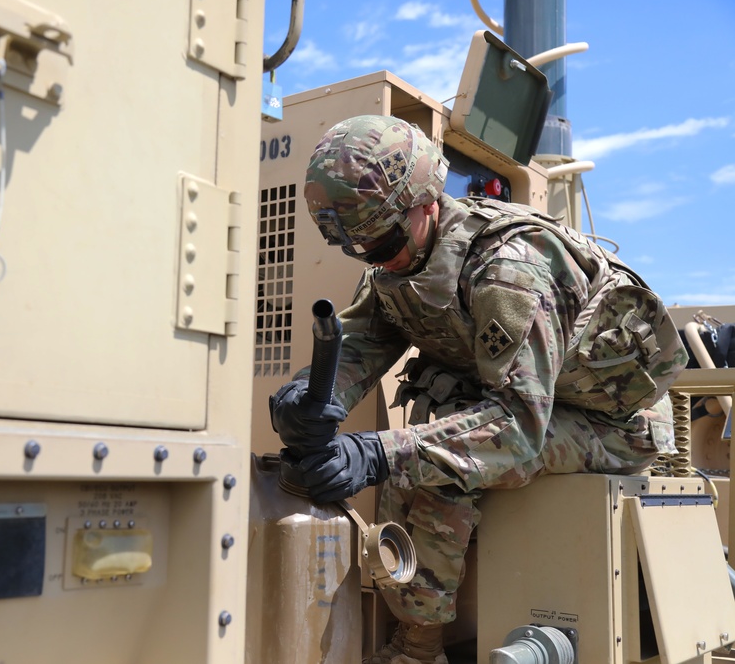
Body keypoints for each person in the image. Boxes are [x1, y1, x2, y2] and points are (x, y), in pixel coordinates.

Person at [269, 115, 688, 664]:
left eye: (383, 241)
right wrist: (309, 401)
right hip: (536, 406)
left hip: (612, 425)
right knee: (431, 430)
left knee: (436, 456)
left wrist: (375, 454)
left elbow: (515, 430)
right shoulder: (397, 262)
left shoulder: (508, 271)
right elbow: (362, 342)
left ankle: (417, 648)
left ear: (426, 203)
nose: (374, 258)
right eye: (356, 247)